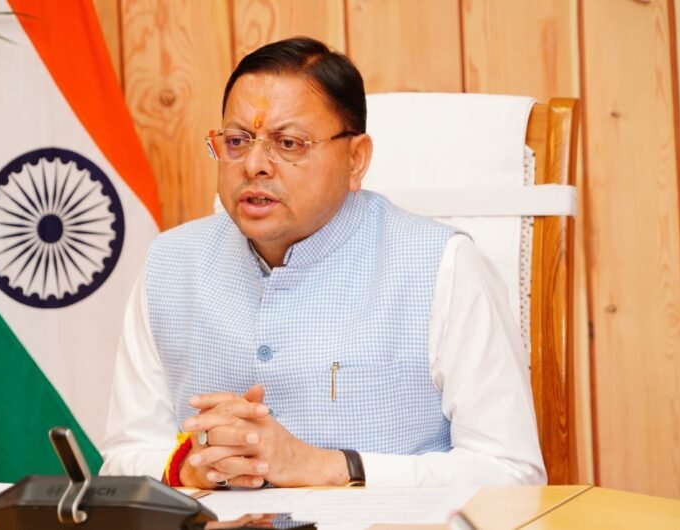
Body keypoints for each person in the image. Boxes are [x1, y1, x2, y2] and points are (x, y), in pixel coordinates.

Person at [100, 36, 546, 489]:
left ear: (356, 160)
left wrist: (327, 467)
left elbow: (512, 474)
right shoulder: (170, 264)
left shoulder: (442, 266)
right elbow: (122, 458)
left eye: (288, 143)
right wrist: (191, 467)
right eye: (237, 141)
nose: (254, 165)